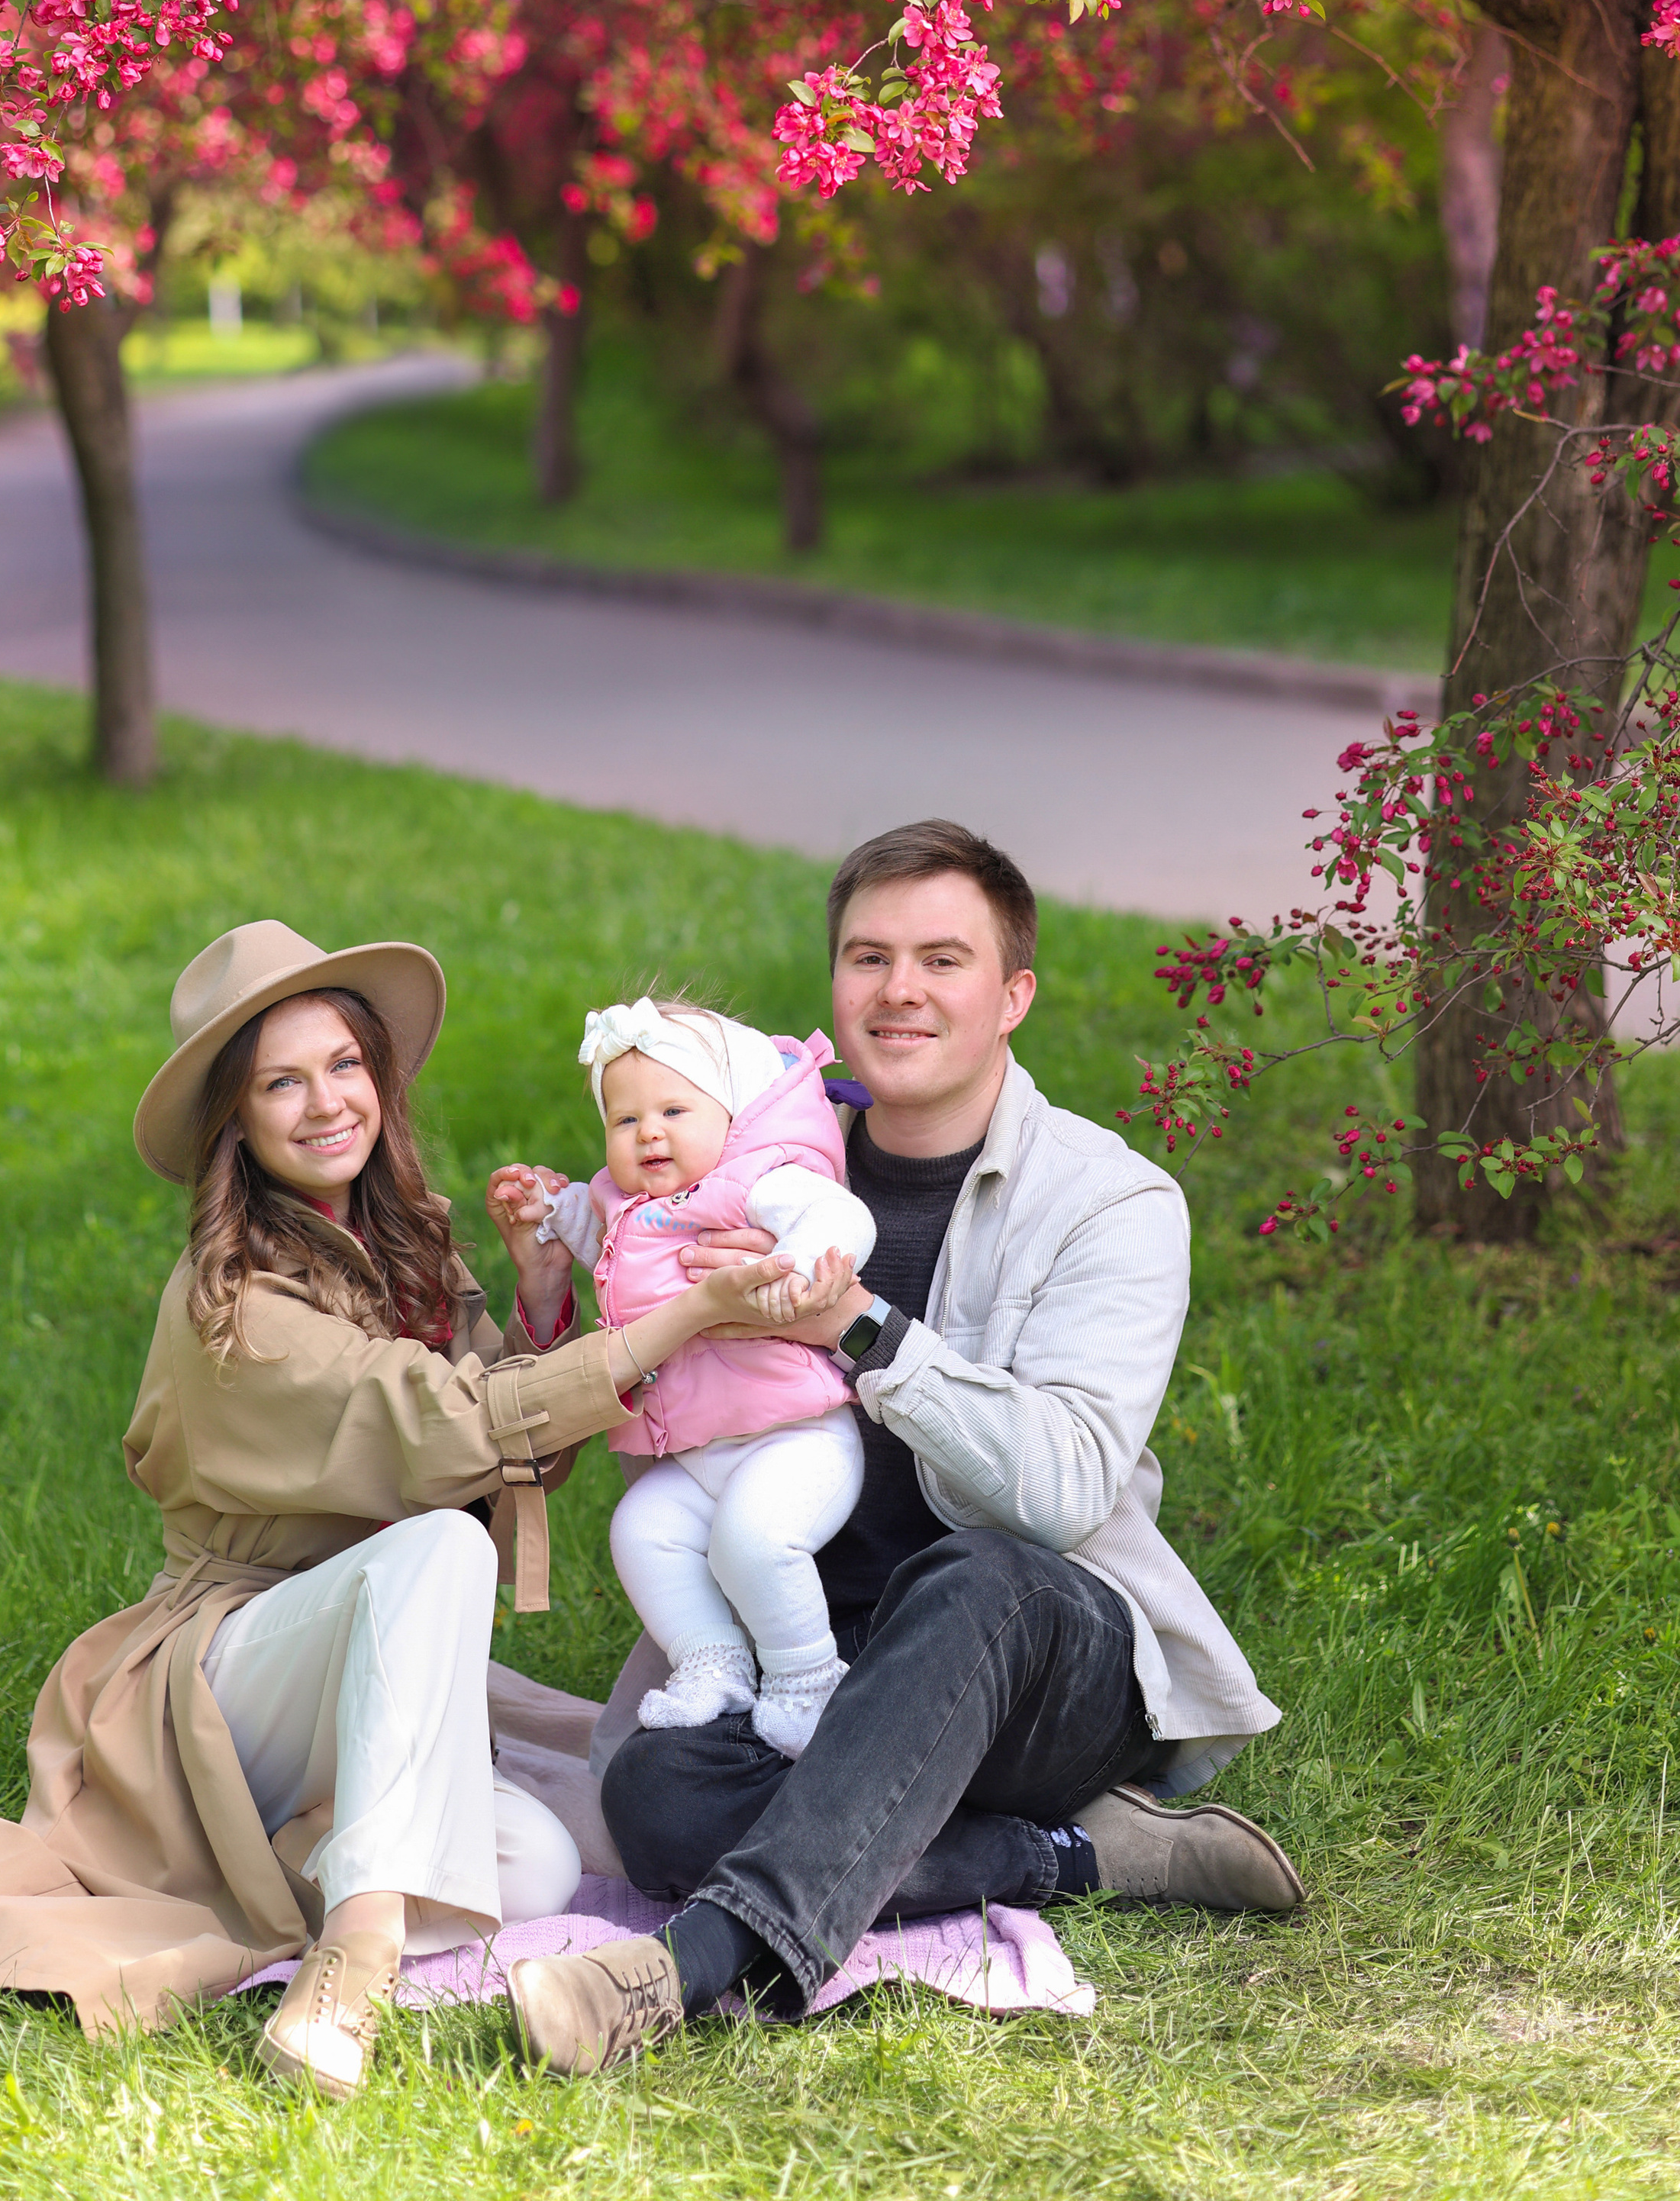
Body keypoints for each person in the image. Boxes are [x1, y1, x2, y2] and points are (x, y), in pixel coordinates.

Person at [0, 918, 788, 2095]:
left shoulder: (408, 1244)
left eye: (344, 1065)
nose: (327, 1102)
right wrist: (682, 1317)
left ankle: (305, 1855)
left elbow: (526, 1447)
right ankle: (353, 1961)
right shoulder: (232, 1302)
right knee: (436, 1552)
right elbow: (454, 1432)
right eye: (282, 1081)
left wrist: (540, 1298)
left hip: (362, 1653)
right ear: (236, 1119)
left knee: (525, 1871)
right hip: (226, 1675)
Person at [507, 821, 1301, 2080]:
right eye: (869, 958)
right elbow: (595, 1420)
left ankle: (691, 1966)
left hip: (1039, 1655)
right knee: (654, 1801)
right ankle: (1078, 1857)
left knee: (974, 1577)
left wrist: (864, 1328)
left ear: (1014, 995)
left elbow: (1060, 1490)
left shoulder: (1112, 1201)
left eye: (944, 959)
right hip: (814, 1653)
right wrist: (559, 1284)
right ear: (834, 985)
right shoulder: (730, 1167)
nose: (901, 990)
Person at [488, 997, 877, 1758]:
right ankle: (712, 1663)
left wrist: (794, 1273)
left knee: (755, 1541)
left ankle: (806, 1679)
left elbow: (841, 1218)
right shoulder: (624, 1203)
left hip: (792, 1439)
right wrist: (543, 1207)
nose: (648, 1133)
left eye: (673, 1109)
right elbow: (587, 1224)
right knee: (640, 1529)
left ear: (729, 1116)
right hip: (697, 1459)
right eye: (625, 1120)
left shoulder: (750, 1180)